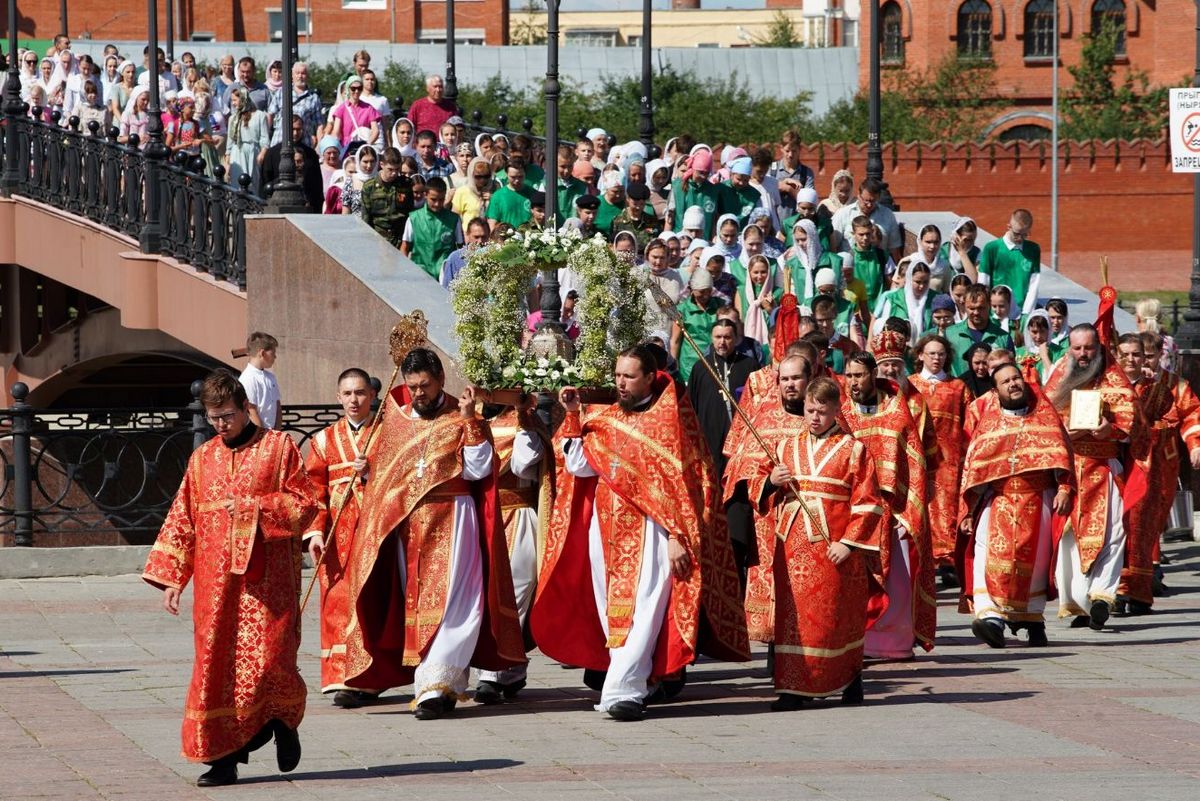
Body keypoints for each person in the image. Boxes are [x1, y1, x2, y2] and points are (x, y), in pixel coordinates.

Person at [531, 347, 750, 721]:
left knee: (645, 611)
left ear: (650, 377)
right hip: (606, 532)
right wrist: (571, 416)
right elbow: (579, 467)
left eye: (629, 376)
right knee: (612, 613)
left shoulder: (668, 423)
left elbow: (685, 489)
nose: (621, 383)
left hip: (652, 534)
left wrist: (677, 536)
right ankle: (636, 681)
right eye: (617, 375)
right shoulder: (606, 420)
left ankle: (624, 692)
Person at [143, 370, 317, 787]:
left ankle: (281, 722)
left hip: (267, 584)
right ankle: (223, 760)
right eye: (213, 418)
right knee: (215, 670)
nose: (220, 425)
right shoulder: (203, 458)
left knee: (270, 662)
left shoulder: (279, 449)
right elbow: (183, 519)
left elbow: (304, 504)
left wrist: (256, 507)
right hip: (215, 586)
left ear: (244, 408)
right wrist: (173, 578)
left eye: (227, 416)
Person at [341, 348, 525, 720]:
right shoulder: (396, 421)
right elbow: (386, 480)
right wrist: (368, 474)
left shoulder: (461, 414)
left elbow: (477, 471)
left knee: (457, 602)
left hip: (455, 519)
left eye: (424, 385)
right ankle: (438, 683)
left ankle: (433, 686)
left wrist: (472, 421)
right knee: (417, 603)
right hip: (408, 528)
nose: (418, 394)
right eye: (412, 387)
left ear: (440, 379)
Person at [750, 376, 882, 709]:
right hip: (791, 546)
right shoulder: (784, 447)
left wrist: (849, 543)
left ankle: (849, 679)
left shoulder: (855, 450)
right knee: (793, 618)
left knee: (836, 617)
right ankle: (793, 687)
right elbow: (757, 486)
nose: (815, 418)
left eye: (822, 412)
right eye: (810, 410)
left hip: (834, 547)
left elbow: (869, 503)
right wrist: (770, 481)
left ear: (837, 410)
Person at [958, 362, 1075, 648]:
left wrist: (1064, 488)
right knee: (987, 560)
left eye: (1016, 379)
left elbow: (1064, 457)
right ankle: (991, 621)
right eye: (1005, 381)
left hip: (1039, 500)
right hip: (997, 501)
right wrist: (968, 512)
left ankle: (1033, 620)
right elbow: (975, 471)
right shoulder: (989, 425)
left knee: (1034, 566)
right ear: (995, 390)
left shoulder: (1044, 418)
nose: (1013, 384)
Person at [1043, 324, 1141, 629]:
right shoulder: (1060, 373)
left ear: (1098, 347)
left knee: (1112, 532)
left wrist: (1108, 430)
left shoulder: (1114, 376)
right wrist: (1061, 434)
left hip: (1103, 465)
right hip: (1069, 468)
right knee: (1069, 538)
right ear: (1069, 348)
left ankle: (1102, 596)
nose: (1083, 355)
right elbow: (1044, 415)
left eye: (1088, 348)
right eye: (1077, 348)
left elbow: (1133, 422)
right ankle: (1081, 604)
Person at [840, 351, 935, 659]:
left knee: (898, 581)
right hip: (854, 513)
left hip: (893, 511)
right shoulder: (841, 414)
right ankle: (857, 641)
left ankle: (894, 644)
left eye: (859, 375)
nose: (853, 382)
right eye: (849, 376)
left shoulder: (897, 412)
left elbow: (914, 463)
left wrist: (908, 511)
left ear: (873, 375)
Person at [303, 368, 379, 708]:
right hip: (336, 536)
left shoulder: (386, 435)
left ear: (372, 395)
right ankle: (339, 676)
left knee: (370, 603)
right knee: (336, 603)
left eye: (360, 393)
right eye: (347, 394)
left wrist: (373, 470)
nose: (354, 400)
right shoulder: (323, 441)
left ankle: (368, 676)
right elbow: (312, 491)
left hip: (375, 533)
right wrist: (314, 531)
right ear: (338, 397)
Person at [473, 396, 551, 704]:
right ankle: (512, 668)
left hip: (517, 513)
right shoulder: (470, 418)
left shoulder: (523, 421)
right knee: (483, 596)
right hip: (481, 516)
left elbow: (522, 464)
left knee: (514, 594)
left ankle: (492, 674)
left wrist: (523, 420)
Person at [1117, 332, 1200, 614]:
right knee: (1126, 524)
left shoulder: (1172, 385)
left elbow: (1190, 415)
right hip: (1127, 465)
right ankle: (1126, 585)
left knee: (1149, 523)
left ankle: (1141, 584)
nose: (1140, 361)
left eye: (1146, 355)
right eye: (1129, 355)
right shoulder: (1116, 385)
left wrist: (1194, 445)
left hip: (1161, 463)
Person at [688, 320, 760, 570]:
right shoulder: (700, 367)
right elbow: (693, 410)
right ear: (711, 338)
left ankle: (738, 561)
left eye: (727, 337)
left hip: (739, 454)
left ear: (736, 338)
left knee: (737, 511)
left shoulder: (749, 366)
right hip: (709, 450)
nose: (722, 342)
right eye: (717, 337)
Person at [908, 333, 973, 586]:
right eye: (931, 353)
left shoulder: (958, 387)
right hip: (919, 456)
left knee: (947, 508)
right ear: (920, 355)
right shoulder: (911, 385)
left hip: (950, 457)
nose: (936, 358)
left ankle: (947, 560)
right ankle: (924, 559)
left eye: (941, 354)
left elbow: (969, 423)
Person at [978, 209, 1041, 317]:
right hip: (995, 312)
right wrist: (986, 309)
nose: (1020, 238)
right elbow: (984, 281)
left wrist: (1026, 313)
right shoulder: (992, 248)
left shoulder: (1034, 249)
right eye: (1017, 234)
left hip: (1020, 312)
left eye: (1025, 234)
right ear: (1009, 227)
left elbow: (1034, 284)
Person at [943, 284, 1014, 377]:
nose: (976, 313)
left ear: (989, 305)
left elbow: (1010, 370)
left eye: (981, 308)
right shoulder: (950, 335)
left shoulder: (1003, 337)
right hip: (959, 389)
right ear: (964, 306)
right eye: (971, 308)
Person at [401, 176, 463, 280]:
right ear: (425, 195)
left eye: (441, 199)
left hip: (445, 276)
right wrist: (405, 272)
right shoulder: (414, 218)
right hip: (420, 275)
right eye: (433, 199)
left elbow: (460, 249)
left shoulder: (454, 219)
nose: (437, 204)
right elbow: (405, 247)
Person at [671, 266, 723, 384]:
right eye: (701, 291)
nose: (706, 295)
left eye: (709, 291)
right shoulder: (681, 310)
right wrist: (674, 367)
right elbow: (675, 341)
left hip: (716, 361)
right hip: (691, 364)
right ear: (692, 289)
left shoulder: (720, 305)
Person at [832, 178, 902, 260]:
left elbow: (894, 248)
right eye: (866, 201)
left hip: (878, 266)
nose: (869, 205)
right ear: (858, 195)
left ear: (878, 197)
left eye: (873, 201)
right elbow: (833, 245)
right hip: (850, 268)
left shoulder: (888, 215)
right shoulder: (843, 214)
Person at [361, 148, 414, 249]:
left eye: (397, 169)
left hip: (400, 239)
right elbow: (366, 218)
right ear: (382, 165)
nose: (394, 173)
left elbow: (410, 212)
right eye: (390, 169)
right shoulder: (369, 187)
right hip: (378, 239)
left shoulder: (406, 184)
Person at [668, 148, 724, 240]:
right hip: (681, 241)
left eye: (706, 173)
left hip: (703, 241)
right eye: (700, 172)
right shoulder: (677, 187)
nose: (704, 176)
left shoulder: (713, 190)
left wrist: (713, 240)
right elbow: (670, 218)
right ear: (693, 168)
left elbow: (713, 220)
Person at [225, 86, 269, 189]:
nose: (233, 103)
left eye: (235, 100)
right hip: (237, 151)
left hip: (253, 151)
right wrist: (228, 157)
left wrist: (262, 153)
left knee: (252, 182)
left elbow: (264, 137)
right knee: (237, 180)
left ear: (243, 99)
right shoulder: (233, 118)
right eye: (232, 100)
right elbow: (230, 140)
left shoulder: (259, 115)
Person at [268, 62, 322, 146]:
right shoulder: (282, 92)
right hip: (280, 141)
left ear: (307, 76)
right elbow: (270, 115)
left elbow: (319, 125)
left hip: (303, 144)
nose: (300, 76)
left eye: (303, 73)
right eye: (297, 73)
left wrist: (319, 146)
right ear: (292, 76)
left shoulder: (314, 98)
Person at [238, 332, 282, 430]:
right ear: (262, 353)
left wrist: (276, 434)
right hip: (257, 436)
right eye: (273, 353)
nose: (275, 356)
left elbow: (277, 406)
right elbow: (251, 411)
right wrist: (262, 437)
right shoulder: (248, 378)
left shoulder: (271, 377)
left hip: (272, 435)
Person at [846, 215, 890, 310]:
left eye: (868, 234)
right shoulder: (848, 258)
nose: (865, 238)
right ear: (853, 234)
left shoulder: (882, 255)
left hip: (880, 308)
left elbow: (891, 282)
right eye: (861, 234)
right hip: (857, 310)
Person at [407, 74, 459, 141]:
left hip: (445, 147)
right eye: (435, 87)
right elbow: (409, 127)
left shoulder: (450, 107)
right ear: (428, 88)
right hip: (424, 146)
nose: (438, 90)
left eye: (440, 87)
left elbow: (457, 128)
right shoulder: (417, 105)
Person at [440, 217, 489, 288]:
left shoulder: (494, 258)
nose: (480, 241)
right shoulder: (455, 259)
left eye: (484, 237)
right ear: (468, 235)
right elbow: (446, 288)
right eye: (476, 237)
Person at [487, 161, 535, 230]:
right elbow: (492, 224)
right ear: (506, 174)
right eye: (513, 177)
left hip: (530, 238)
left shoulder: (533, 193)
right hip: (507, 238)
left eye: (520, 177)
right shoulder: (498, 196)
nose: (517, 180)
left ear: (525, 173)